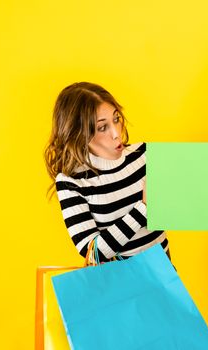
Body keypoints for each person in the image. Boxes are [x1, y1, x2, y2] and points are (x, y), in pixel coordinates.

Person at [44, 82, 169, 263]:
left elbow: (185, 208)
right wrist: (144, 209)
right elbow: (92, 252)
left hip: (164, 275)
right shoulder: (72, 182)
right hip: (119, 286)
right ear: (79, 134)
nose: (116, 133)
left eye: (116, 119)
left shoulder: (144, 155)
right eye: (102, 127)